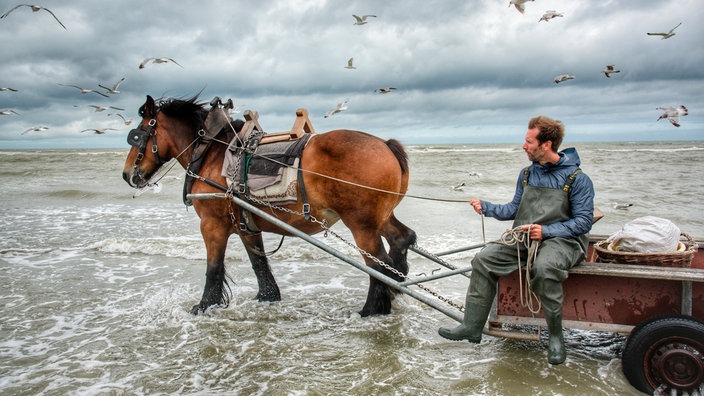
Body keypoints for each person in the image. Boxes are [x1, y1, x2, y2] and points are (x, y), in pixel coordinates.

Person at [438, 115, 594, 365]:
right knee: (483, 260)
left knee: (544, 268)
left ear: (546, 144)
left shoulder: (578, 179)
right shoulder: (526, 174)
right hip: (523, 239)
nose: (524, 146)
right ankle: (471, 327)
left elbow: (583, 222)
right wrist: (486, 207)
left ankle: (555, 337)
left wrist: (546, 232)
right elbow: (513, 210)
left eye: (529, 141)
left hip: (563, 242)